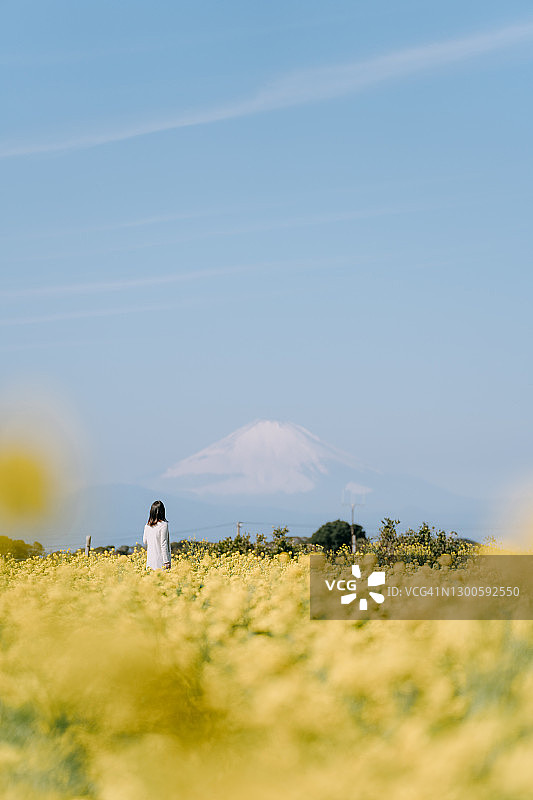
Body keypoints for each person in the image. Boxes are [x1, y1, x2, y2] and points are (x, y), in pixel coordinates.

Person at [143, 500, 171, 570]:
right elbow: (163, 543)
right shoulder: (164, 525)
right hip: (161, 561)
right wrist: (166, 561)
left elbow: (145, 541)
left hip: (150, 561)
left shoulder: (147, 526)